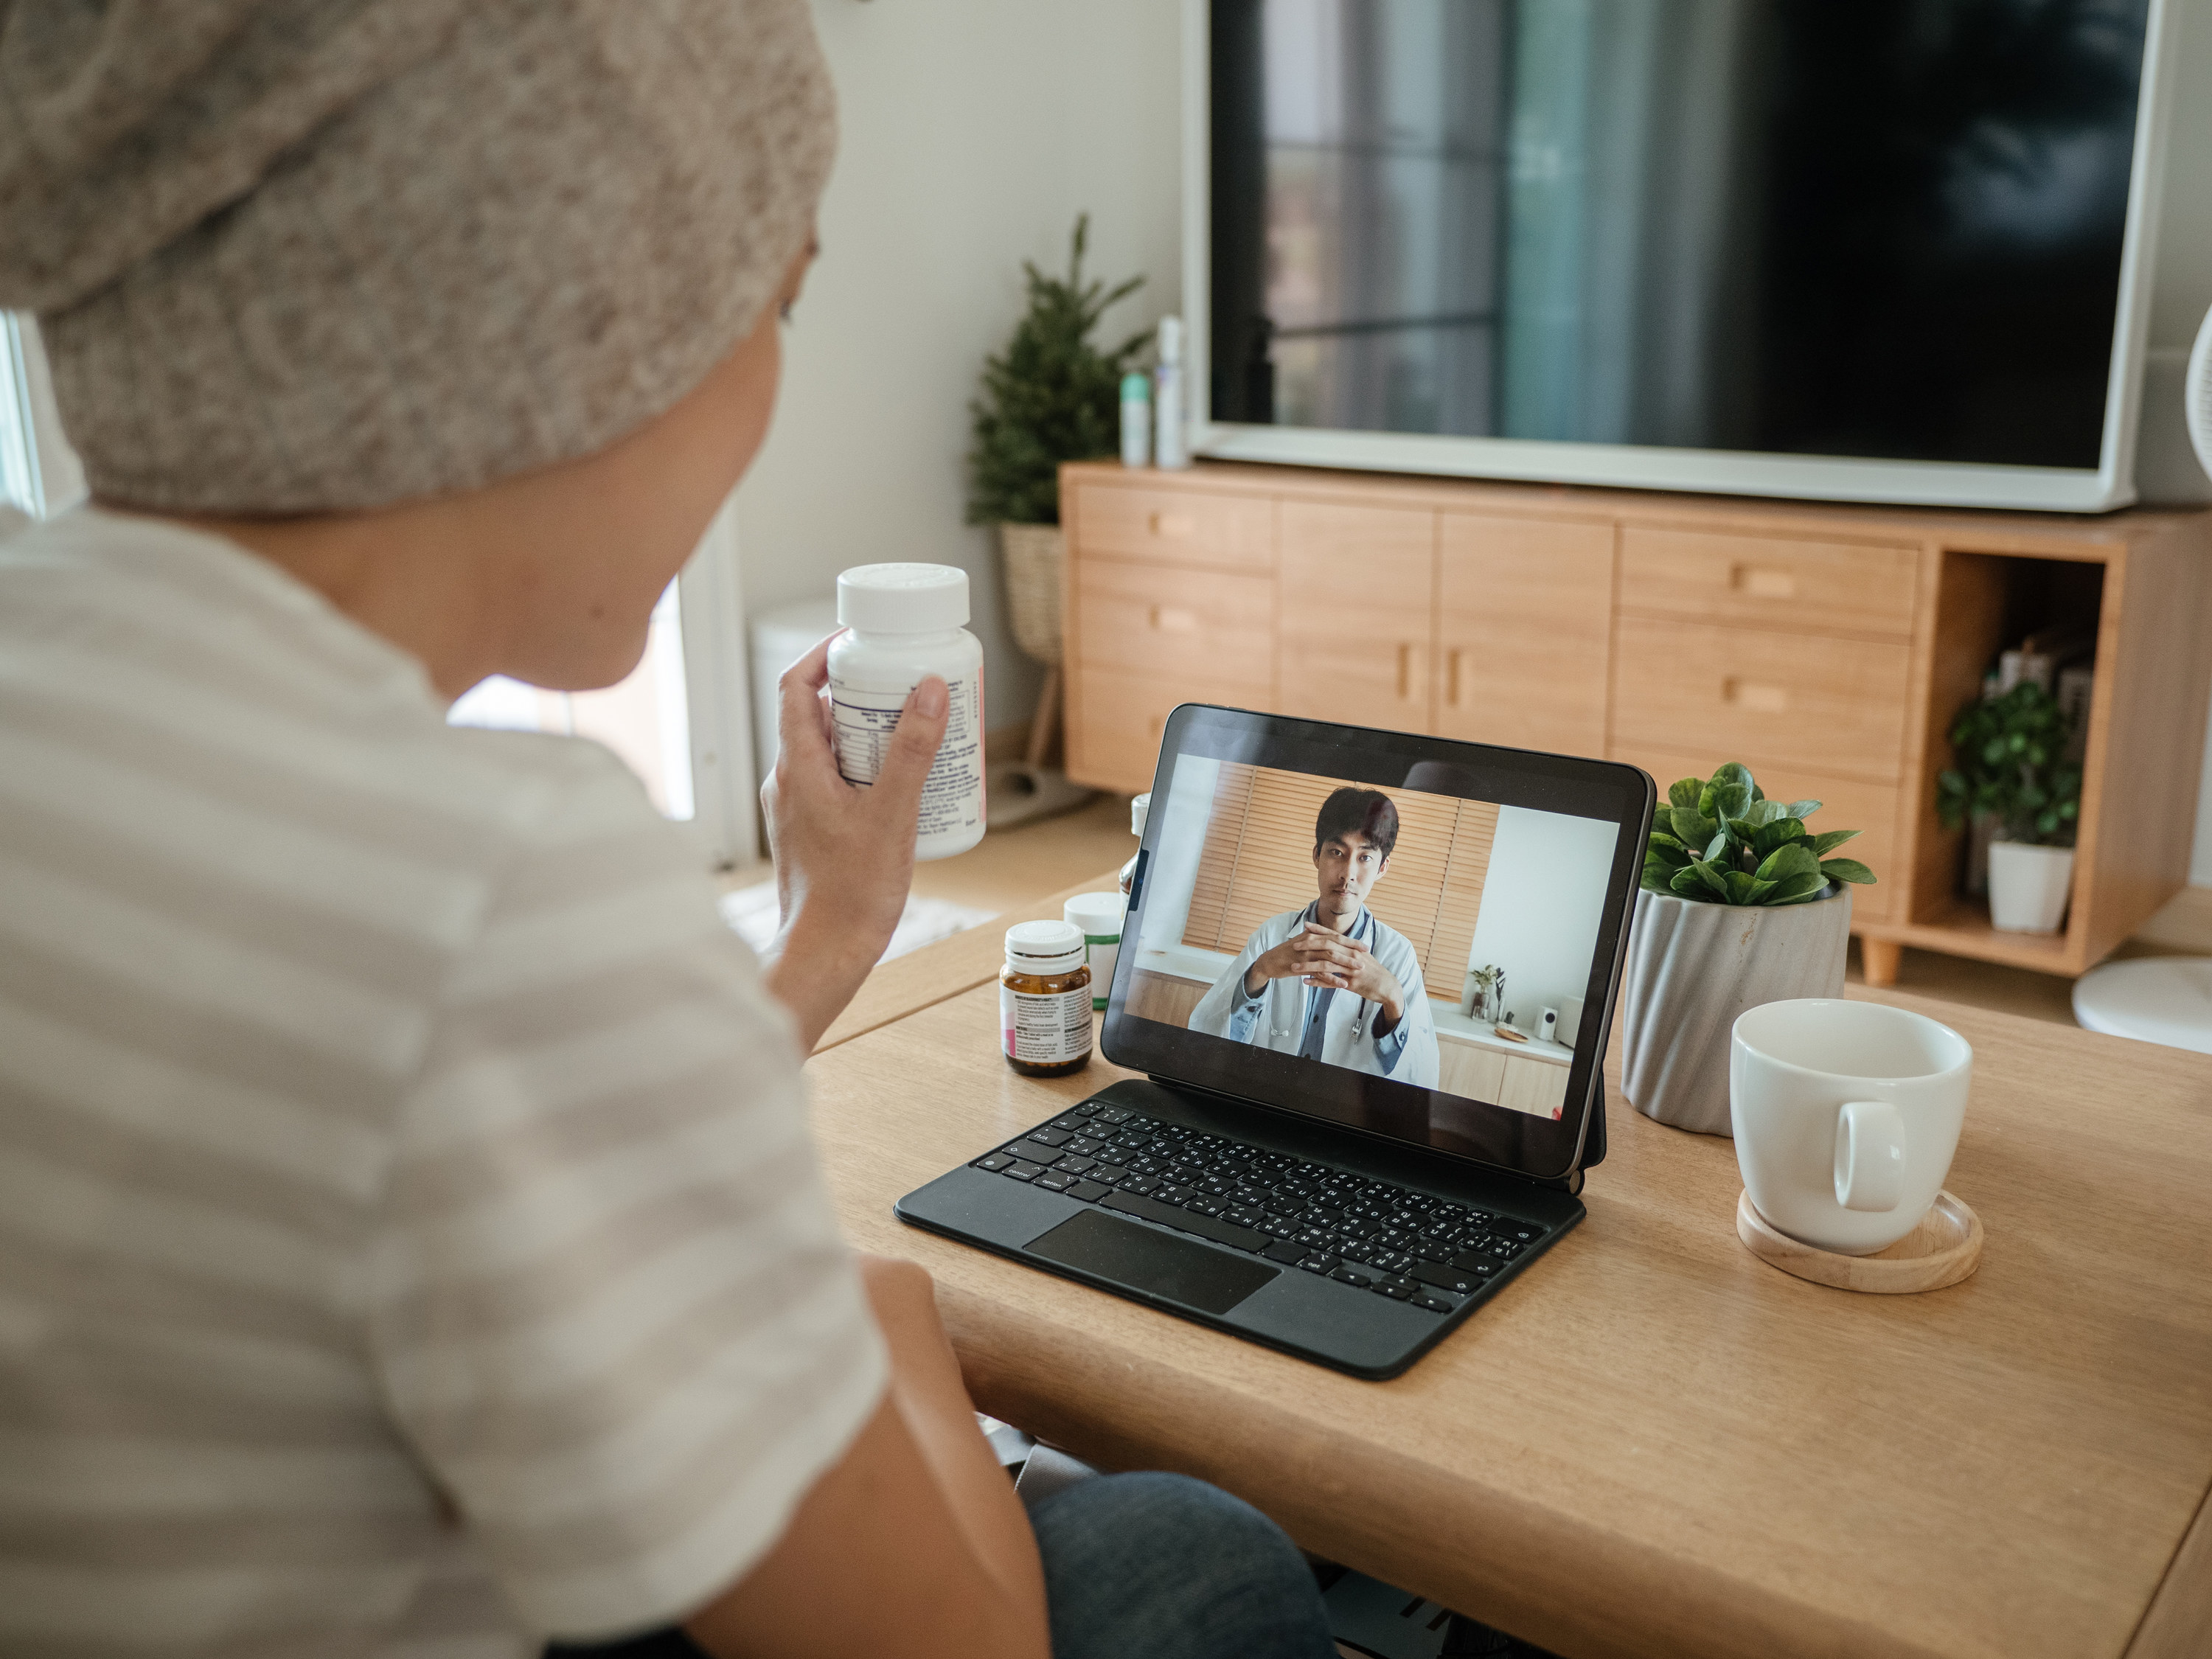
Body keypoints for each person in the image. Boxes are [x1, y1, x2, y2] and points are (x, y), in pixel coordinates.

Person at [0, 4, 1336, 1658]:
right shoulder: (491, 880)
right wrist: (894, 1348)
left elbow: (450, 1131)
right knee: (1195, 1554)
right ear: (579, 336)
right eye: (770, 303)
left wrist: (824, 936)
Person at [1189, 788, 1441, 1087]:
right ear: (1316, 855)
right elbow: (1208, 1037)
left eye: (1365, 858)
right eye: (1337, 853)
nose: (1348, 874)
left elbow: (1421, 1079)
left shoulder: (1398, 955)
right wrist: (1260, 972)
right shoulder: (1272, 935)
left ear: (1382, 867)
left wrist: (1393, 999)